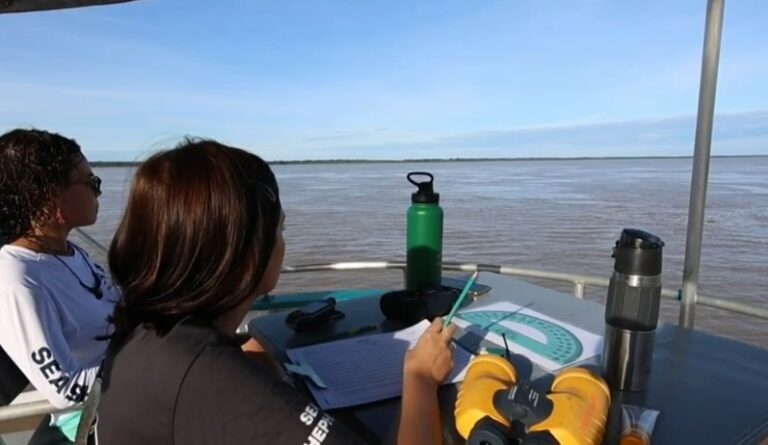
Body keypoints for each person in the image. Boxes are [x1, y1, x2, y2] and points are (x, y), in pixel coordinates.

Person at [96, 139, 457, 445]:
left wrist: (240, 362)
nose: (283, 242)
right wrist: (421, 380)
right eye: (279, 229)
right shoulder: (215, 382)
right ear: (245, 252)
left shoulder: (142, 329)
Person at [0, 129, 120, 445]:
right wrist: (155, 363)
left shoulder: (71, 253)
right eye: (92, 182)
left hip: (125, 390)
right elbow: (67, 389)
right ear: (51, 194)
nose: (98, 191)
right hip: (92, 419)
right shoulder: (16, 277)